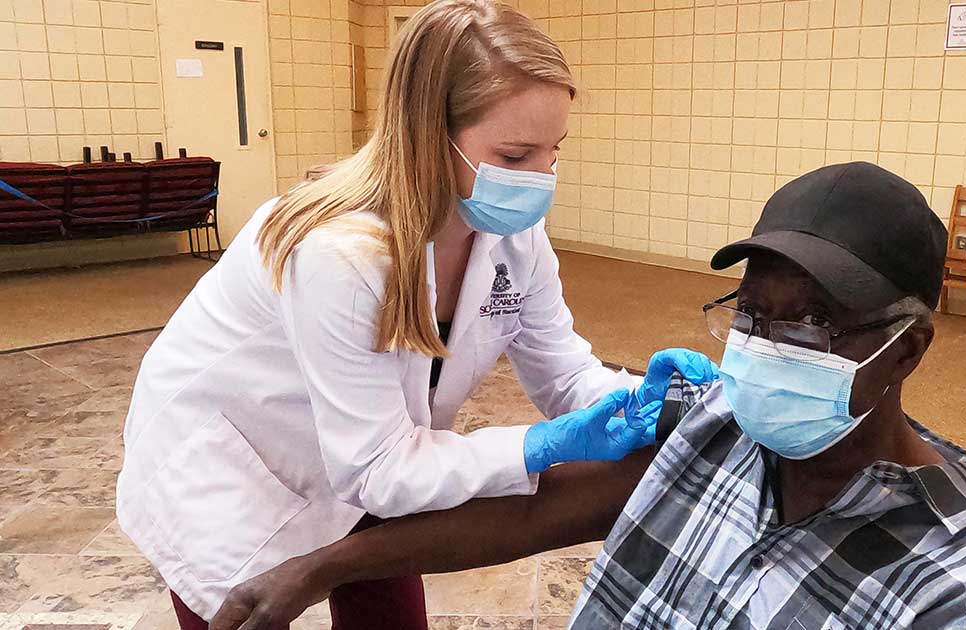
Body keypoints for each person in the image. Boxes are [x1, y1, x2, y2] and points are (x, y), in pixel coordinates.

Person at [211, 162, 966, 630]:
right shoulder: (724, 427)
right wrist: (317, 569)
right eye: (753, 319)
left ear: (906, 347)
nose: (764, 356)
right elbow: (534, 514)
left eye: (810, 329)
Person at [114, 0, 716, 626]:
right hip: (230, 468)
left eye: (553, 151)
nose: (542, 178)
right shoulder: (340, 252)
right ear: (429, 134)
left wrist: (640, 397)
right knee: (242, 613)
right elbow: (379, 469)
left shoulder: (512, 237)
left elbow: (564, 374)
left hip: (378, 455)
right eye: (515, 157)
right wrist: (538, 445)